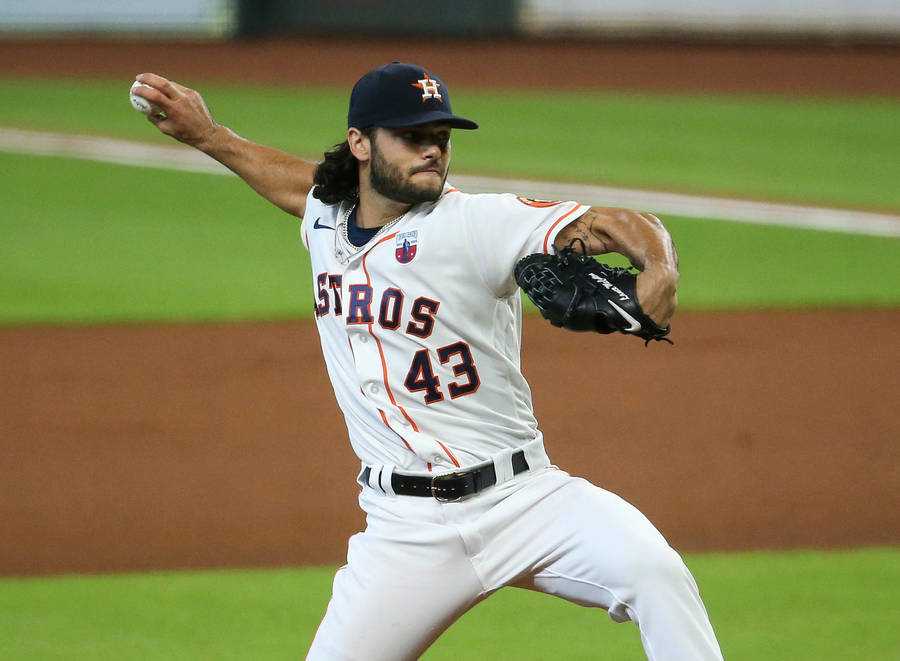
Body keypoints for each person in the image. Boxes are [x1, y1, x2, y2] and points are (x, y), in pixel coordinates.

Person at [133, 62, 723, 660]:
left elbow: (614, 224)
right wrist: (207, 136)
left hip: (527, 501)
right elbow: (296, 186)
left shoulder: (477, 223)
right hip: (404, 531)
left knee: (657, 575)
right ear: (361, 144)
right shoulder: (327, 218)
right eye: (412, 137)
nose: (433, 150)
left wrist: (659, 268)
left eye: (440, 137)